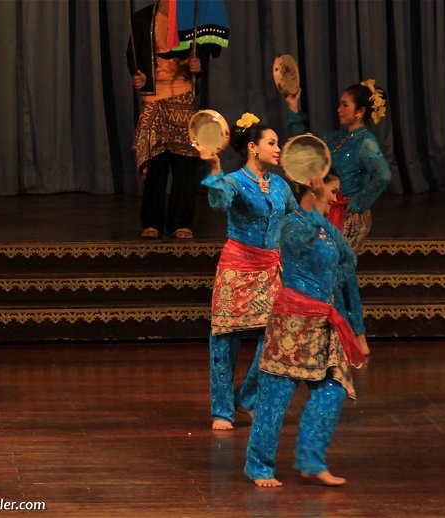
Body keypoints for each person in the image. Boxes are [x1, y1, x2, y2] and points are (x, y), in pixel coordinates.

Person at [199, 113, 322, 431]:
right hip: (237, 270)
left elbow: (294, 220)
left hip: (269, 271)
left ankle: (247, 398)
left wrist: (314, 203)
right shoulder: (236, 182)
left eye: (278, 143)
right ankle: (222, 410)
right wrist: (214, 169)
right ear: (253, 147)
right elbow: (219, 201)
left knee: (277, 335)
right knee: (226, 341)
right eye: (272, 143)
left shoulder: (280, 184)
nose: (278, 148)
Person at [244, 172, 366, 487]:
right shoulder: (290, 224)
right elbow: (301, 243)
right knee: (275, 397)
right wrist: (313, 208)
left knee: (333, 389)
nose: (335, 199)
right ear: (315, 187)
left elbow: (349, 259)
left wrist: (330, 282)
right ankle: (259, 466)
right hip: (292, 321)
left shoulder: (326, 227)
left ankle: (311, 460)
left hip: (323, 321)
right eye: (332, 191)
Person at [285, 80, 391, 356]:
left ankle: (357, 334)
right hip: (329, 211)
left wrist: (357, 203)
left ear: (360, 112)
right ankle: (341, 333)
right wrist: (294, 108)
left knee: (342, 271)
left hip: (351, 217)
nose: (339, 108)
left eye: (345, 104)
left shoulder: (366, 143)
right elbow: (306, 148)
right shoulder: (337, 138)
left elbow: (383, 176)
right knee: (333, 270)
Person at [127, 0, 207, 240]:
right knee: (154, 162)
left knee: (184, 163)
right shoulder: (142, 19)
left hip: (182, 95)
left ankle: (181, 222)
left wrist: (197, 66)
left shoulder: (191, 20)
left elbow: (202, 56)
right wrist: (138, 76)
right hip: (154, 97)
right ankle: (151, 221)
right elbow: (133, 57)